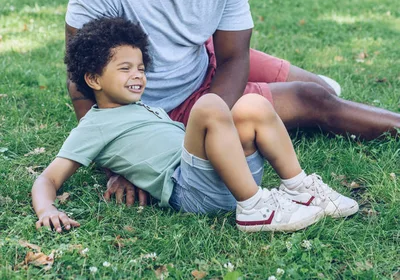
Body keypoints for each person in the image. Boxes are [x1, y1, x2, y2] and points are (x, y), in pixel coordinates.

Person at [65, 0, 400, 206]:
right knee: (311, 100)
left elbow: (234, 56)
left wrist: (219, 117)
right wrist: (123, 164)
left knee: (320, 89)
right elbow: (81, 79)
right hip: (166, 106)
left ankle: (324, 90)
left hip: (205, 60)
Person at [33, 18, 358, 234]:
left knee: (253, 105)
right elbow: (49, 177)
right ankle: (256, 209)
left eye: (141, 67)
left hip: (224, 175)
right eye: (125, 68)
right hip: (190, 191)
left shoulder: (144, 107)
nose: (138, 75)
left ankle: (300, 189)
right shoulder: (94, 125)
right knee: (209, 104)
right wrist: (46, 207)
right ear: (93, 79)